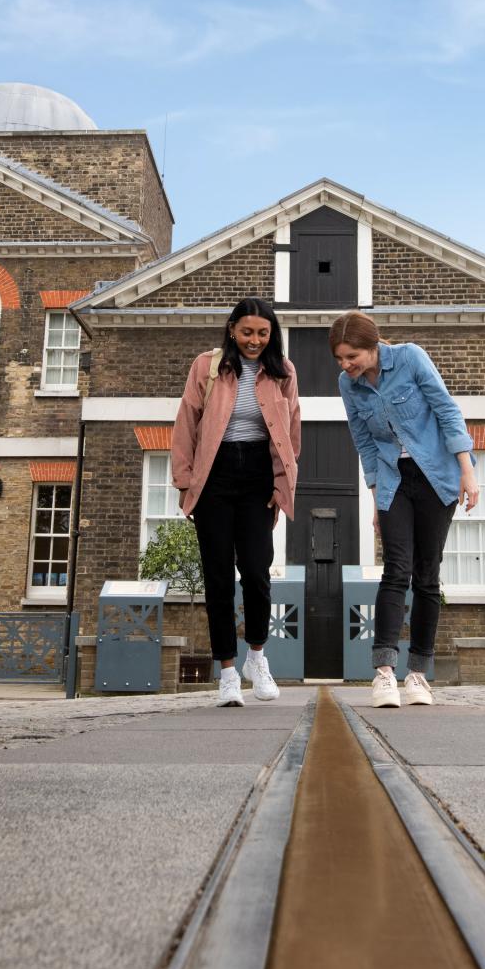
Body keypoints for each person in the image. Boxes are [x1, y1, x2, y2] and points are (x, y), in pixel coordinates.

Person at [330, 312, 478, 707]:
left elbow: (446, 411)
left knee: (427, 575)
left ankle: (417, 676)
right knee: (396, 570)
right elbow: (363, 442)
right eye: (340, 359)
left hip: (435, 477)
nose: (347, 365)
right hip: (393, 480)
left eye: (352, 356)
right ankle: (383, 674)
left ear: (373, 345)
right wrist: (378, 496)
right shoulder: (349, 385)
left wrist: (468, 471)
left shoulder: (410, 358)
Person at [172, 298, 301, 706]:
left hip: (259, 476)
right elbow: (186, 424)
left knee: (257, 572)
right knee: (218, 578)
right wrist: (184, 482)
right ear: (232, 329)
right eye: (247, 332)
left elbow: (292, 431)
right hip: (214, 474)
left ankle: (257, 658)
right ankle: (227, 671)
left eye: (263, 333)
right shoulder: (207, 367)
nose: (255, 340)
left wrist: (282, 484)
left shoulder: (283, 371)